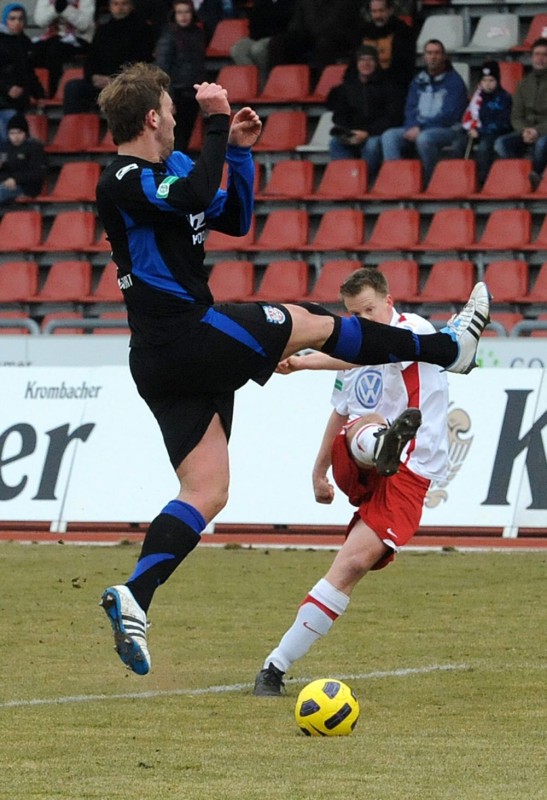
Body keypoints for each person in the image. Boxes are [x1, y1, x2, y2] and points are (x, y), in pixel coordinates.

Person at [94, 61, 490, 677]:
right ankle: (447, 349)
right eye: (171, 112)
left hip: (164, 359)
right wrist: (216, 120)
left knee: (207, 491)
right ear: (152, 118)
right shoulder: (121, 178)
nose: (176, 121)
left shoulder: (174, 169)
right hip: (184, 336)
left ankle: (135, 596)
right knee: (312, 320)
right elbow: (195, 194)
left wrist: (239, 152)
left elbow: (231, 217)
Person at [253, 266, 449, 695]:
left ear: (389, 303)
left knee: (351, 565)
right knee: (363, 421)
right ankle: (381, 445)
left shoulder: (413, 330)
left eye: (369, 311)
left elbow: (373, 352)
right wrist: (318, 470)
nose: (364, 320)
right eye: (356, 315)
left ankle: (273, 668)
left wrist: (306, 361)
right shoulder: (355, 353)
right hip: (360, 461)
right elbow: (340, 411)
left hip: (411, 472)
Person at [381, 39, 468, 186]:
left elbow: (450, 115)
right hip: (419, 127)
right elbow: (410, 108)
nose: (433, 57)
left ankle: (431, 182)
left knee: (424, 138)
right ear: (424, 57)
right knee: (389, 136)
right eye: (429, 53)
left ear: (444, 56)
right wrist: (412, 126)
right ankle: (396, 183)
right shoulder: (418, 80)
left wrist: (420, 128)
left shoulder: (455, 82)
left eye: (437, 53)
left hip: (448, 130)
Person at [326, 44, 405, 182]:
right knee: (335, 143)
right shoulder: (347, 87)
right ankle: (347, 181)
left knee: (372, 145)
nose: (366, 63)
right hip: (354, 133)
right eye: (362, 59)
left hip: (376, 133)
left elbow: (394, 117)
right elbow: (339, 115)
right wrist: (349, 132)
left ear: (376, 62)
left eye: (370, 59)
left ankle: (363, 181)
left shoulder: (389, 86)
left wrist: (367, 132)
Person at [62, 0, 154, 113]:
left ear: (131, 6)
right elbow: (91, 59)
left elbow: (143, 62)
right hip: (101, 83)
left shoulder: (143, 29)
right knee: (73, 87)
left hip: (127, 85)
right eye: (115, 4)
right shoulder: (103, 30)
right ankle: (75, 123)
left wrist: (116, 80)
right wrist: (93, 77)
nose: (120, 8)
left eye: (124, 4)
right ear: (109, 7)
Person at [494, 38, 547, 191]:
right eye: (537, 54)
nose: (540, 58)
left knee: (541, 144)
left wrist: (537, 131)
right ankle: (520, 177)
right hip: (526, 131)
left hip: (544, 131)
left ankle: (536, 177)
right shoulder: (523, 83)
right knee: (501, 144)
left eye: (544, 55)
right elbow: (516, 116)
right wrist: (525, 130)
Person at [267, 0, 363, 85]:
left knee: (324, 44)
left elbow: (342, 27)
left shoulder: (346, 3)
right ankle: (280, 85)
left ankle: (321, 87)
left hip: (339, 39)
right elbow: (296, 26)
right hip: (311, 38)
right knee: (279, 42)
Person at [155, 0, 206, 153]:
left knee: (186, 134)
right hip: (176, 93)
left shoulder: (198, 34)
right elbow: (162, 69)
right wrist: (168, 97)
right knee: (176, 138)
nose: (183, 16)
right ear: (174, 15)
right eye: (179, 12)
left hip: (192, 92)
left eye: (187, 12)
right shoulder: (168, 36)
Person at [454, 60, 512, 187]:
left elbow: (503, 123)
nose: (487, 84)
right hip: (476, 131)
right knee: (458, 144)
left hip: (494, 133)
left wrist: (480, 131)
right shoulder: (477, 98)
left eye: (491, 80)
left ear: (497, 81)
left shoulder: (504, 98)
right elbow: (470, 117)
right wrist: (471, 129)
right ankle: (459, 179)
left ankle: (482, 181)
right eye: (484, 80)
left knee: (484, 148)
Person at [0, 3, 46, 148]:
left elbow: (29, 72)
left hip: (18, 101)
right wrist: (7, 88)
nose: (17, 22)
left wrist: (38, 94)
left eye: (20, 19)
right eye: (12, 19)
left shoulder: (24, 42)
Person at [32, 0, 95, 98]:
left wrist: (66, 9)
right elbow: (40, 21)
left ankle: (51, 94)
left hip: (80, 38)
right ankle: (36, 93)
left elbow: (84, 24)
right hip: (52, 37)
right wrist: (55, 9)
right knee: (34, 50)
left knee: (55, 50)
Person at [230, 0, 295, 87]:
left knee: (258, 49)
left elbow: (287, 25)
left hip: (278, 37)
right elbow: (253, 23)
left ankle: (264, 83)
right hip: (257, 36)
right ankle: (252, 82)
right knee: (237, 50)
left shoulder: (290, 3)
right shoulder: (261, 2)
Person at [357, 0, 416, 89]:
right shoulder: (363, 32)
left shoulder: (403, 32)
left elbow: (403, 69)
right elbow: (354, 64)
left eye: (381, 11)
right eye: (374, 11)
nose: (378, 16)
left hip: (393, 85)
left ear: (390, 10)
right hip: (364, 86)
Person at [0, 112, 47, 207]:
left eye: (19, 132)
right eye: (12, 133)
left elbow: (38, 173)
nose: (15, 136)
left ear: (25, 133)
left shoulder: (34, 147)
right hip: (7, 184)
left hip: (26, 187)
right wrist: (6, 179)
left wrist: (15, 179)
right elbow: (4, 170)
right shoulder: (5, 148)